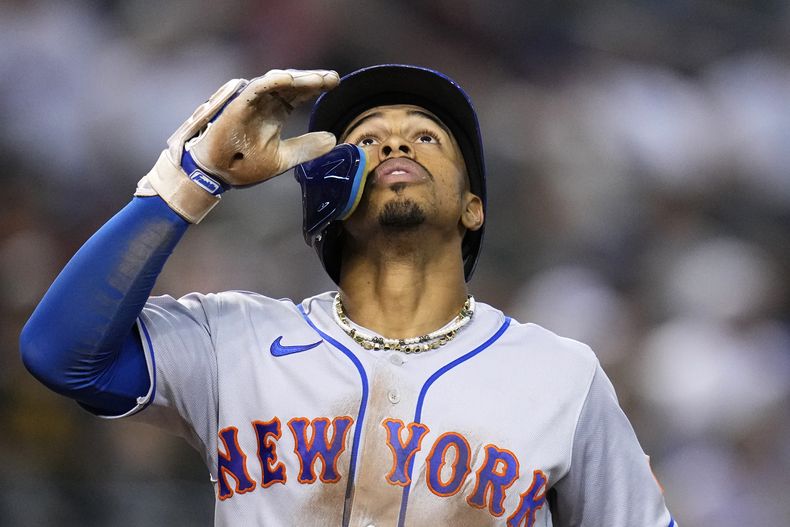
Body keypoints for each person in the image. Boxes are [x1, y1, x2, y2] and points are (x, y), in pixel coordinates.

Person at [20, 66, 677, 526]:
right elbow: (61, 353)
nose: (395, 140)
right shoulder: (235, 339)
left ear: (473, 206)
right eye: (366, 141)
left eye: (426, 137)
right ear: (331, 204)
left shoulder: (559, 374)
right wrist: (194, 178)